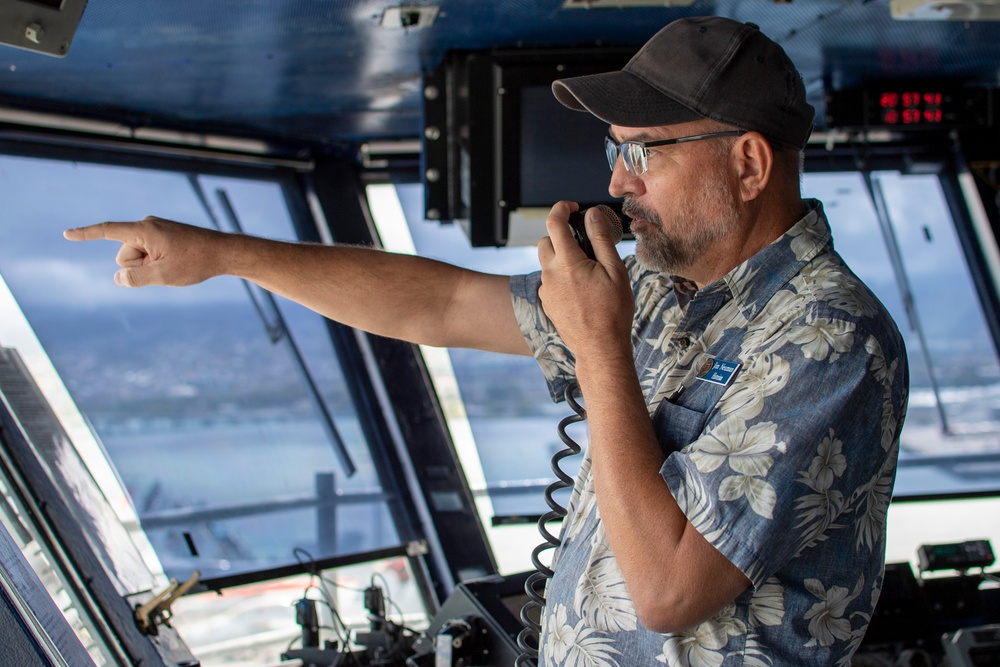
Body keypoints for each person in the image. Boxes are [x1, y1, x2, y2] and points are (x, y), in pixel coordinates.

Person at [65, 15, 907, 667]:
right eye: (615, 151)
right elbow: (445, 305)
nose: (617, 182)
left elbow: (668, 589)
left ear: (750, 166)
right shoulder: (661, 287)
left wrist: (600, 348)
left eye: (643, 153)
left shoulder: (830, 338)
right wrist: (224, 255)